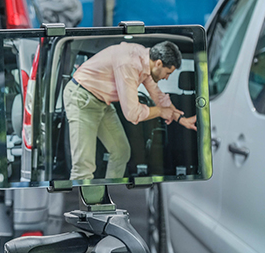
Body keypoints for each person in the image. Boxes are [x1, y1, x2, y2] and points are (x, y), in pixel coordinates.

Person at [62, 40, 195, 181]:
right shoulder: (129, 63)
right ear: (159, 63)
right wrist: (160, 111)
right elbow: (132, 114)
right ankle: (83, 203)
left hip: (101, 102)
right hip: (82, 98)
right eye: (168, 73)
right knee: (83, 167)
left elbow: (157, 95)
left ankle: (108, 194)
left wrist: (180, 118)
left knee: (121, 152)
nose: (167, 78)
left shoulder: (145, 59)